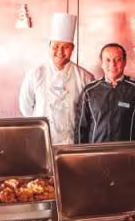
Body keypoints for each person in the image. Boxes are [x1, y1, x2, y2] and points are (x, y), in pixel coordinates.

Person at [18, 13, 94, 145]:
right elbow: (26, 108)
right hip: (42, 141)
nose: (60, 51)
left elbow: (88, 113)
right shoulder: (35, 74)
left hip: (72, 142)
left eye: (66, 47)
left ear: (72, 49)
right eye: (56, 46)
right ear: (49, 46)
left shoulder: (85, 77)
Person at [76, 43, 135, 144]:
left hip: (128, 155)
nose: (112, 64)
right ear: (102, 63)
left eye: (118, 59)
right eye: (108, 60)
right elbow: (81, 129)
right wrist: (79, 156)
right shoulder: (89, 91)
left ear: (124, 62)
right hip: (96, 154)